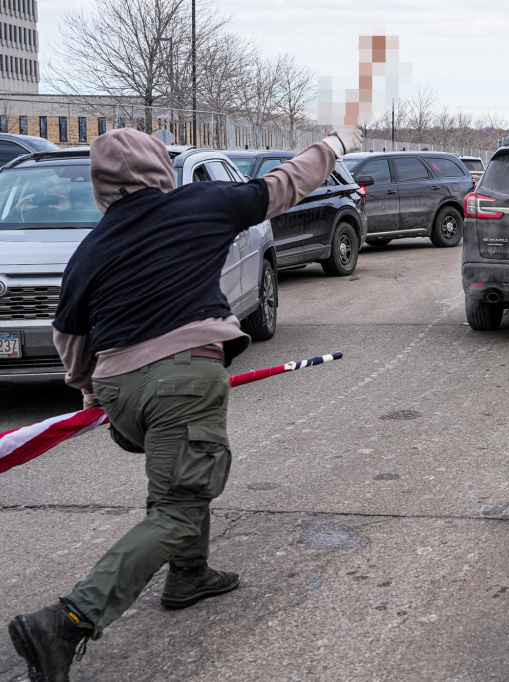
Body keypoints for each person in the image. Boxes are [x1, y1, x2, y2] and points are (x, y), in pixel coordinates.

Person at [7, 123, 362, 682]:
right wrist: (337, 145)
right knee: (181, 500)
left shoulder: (90, 248)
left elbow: (68, 338)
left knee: (177, 479)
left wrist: (89, 392)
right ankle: (67, 621)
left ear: (100, 186)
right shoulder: (204, 204)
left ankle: (188, 573)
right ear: (159, 169)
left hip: (120, 386)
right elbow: (287, 182)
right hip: (184, 376)